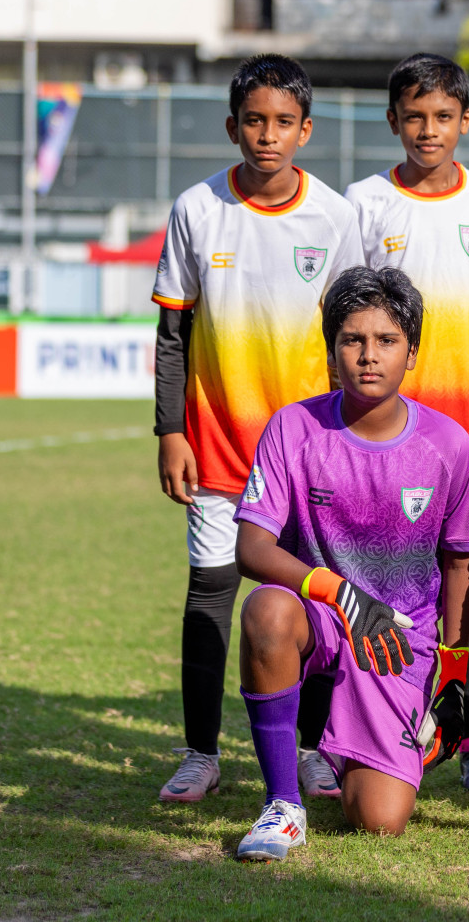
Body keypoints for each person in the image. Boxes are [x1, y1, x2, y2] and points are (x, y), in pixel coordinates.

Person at [152, 53, 365, 803]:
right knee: (209, 592)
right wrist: (167, 432)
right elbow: (174, 332)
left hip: (310, 452)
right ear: (232, 125)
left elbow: (356, 335)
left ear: (305, 130)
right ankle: (201, 752)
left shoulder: (338, 218)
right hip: (216, 443)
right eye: (253, 121)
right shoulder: (197, 209)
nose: (266, 136)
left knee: (312, 600)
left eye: (282, 123)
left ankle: (313, 751)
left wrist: (352, 438)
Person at [230, 266, 469, 860]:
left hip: (396, 638)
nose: (368, 356)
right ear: (331, 350)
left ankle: (342, 739)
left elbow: (461, 570)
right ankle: (282, 804)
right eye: (352, 340)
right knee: (267, 610)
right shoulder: (293, 427)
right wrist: (339, 593)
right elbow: (250, 548)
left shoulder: (449, 445)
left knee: (379, 822)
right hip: (324, 614)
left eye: (386, 341)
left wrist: (453, 672)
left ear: (412, 353)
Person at [345, 52, 469, 792]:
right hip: (376, 430)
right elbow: (348, 317)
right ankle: (360, 726)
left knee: (464, 579)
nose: (429, 130)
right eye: (414, 117)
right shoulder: (363, 202)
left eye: (443, 117)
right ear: (393, 121)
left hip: (460, 431)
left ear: (465, 122)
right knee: (372, 567)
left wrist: (463, 391)